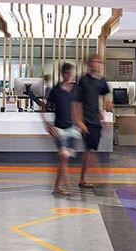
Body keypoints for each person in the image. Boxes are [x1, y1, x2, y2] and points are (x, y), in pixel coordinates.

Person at [73, 55, 113, 188]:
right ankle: (84, 178)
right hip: (86, 119)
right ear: (89, 64)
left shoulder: (101, 81)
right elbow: (77, 102)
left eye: (99, 62)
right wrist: (79, 121)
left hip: (96, 119)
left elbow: (105, 97)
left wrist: (104, 115)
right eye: (94, 62)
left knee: (91, 149)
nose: (96, 65)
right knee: (89, 149)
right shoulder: (84, 80)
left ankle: (89, 176)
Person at [41, 63, 80, 196]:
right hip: (59, 128)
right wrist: (46, 124)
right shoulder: (56, 90)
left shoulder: (74, 90)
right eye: (67, 73)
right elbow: (44, 106)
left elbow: (76, 108)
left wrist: (79, 123)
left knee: (65, 159)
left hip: (72, 128)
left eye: (70, 73)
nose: (69, 76)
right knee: (63, 156)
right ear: (63, 74)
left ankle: (57, 187)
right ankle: (67, 186)